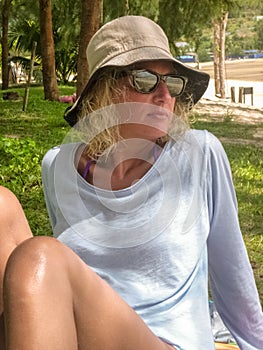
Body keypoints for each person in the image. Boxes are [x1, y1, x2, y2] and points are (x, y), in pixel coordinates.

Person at [1, 15, 263, 350]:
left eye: (173, 83)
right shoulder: (57, 166)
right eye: (144, 79)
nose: (164, 95)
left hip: (164, 342)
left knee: (40, 255)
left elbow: (234, 277)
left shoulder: (199, 154)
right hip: (81, 334)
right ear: (104, 91)